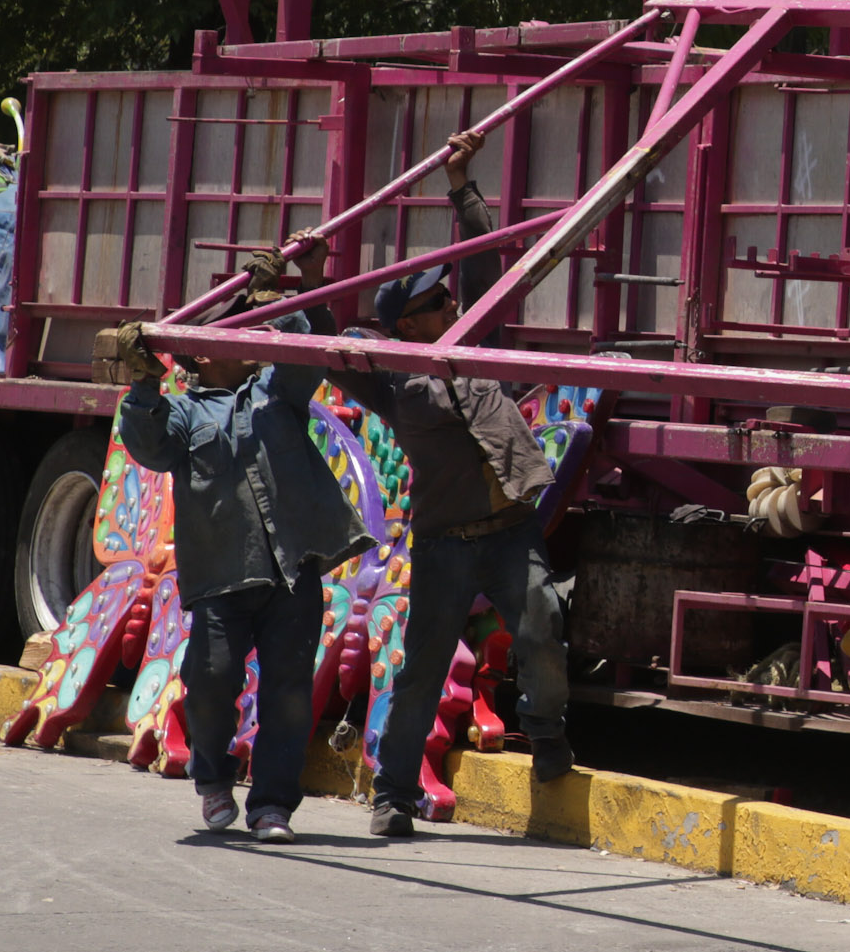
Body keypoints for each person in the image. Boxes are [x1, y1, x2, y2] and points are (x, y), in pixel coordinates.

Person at [325, 129, 573, 839]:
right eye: (434, 306)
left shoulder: (473, 340)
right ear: (406, 324)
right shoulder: (394, 383)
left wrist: (463, 182)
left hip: (507, 531)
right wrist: (301, 281)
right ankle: (393, 795)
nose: (448, 308)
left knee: (543, 624)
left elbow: (483, 264)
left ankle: (547, 734)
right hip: (442, 542)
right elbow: (316, 339)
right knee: (422, 668)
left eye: (446, 299)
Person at [114, 235, 370, 842]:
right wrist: (144, 384)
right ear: (200, 357)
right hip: (221, 581)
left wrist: (292, 290)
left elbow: (308, 352)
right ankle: (211, 780)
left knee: (287, 695)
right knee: (210, 681)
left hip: (289, 574)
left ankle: (272, 807)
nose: (248, 343)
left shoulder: (275, 395)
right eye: (235, 335)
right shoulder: (180, 414)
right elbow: (144, 442)